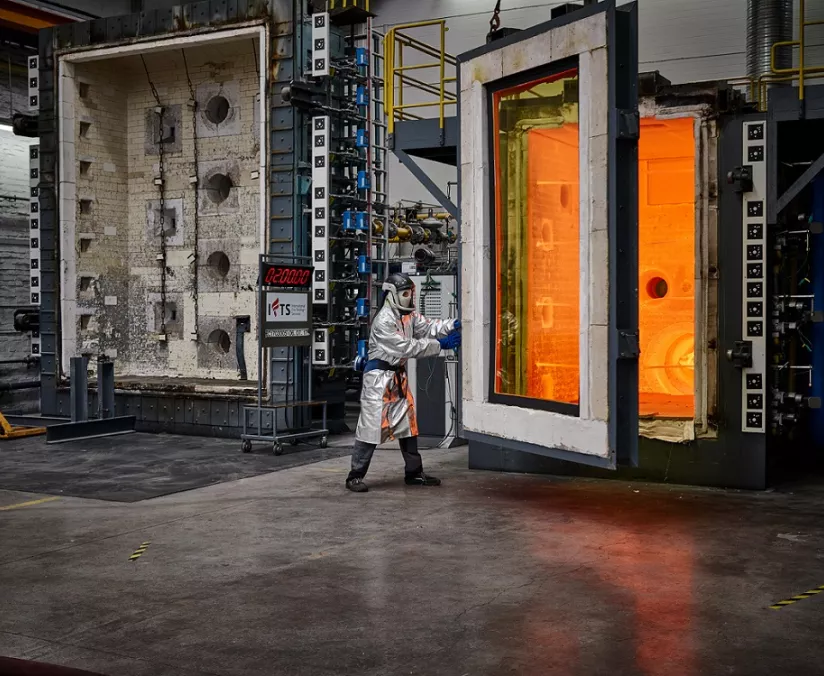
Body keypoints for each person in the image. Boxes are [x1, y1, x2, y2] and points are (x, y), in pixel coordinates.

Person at [346, 272, 461, 493]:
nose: (410, 297)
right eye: (405, 293)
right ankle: (355, 475)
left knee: (409, 425)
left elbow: (428, 326)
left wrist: (452, 324)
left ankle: (414, 473)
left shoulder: (406, 316)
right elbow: (407, 347)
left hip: (397, 378)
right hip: (379, 382)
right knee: (370, 429)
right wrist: (441, 344)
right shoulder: (384, 322)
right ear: (392, 295)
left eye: (411, 293)